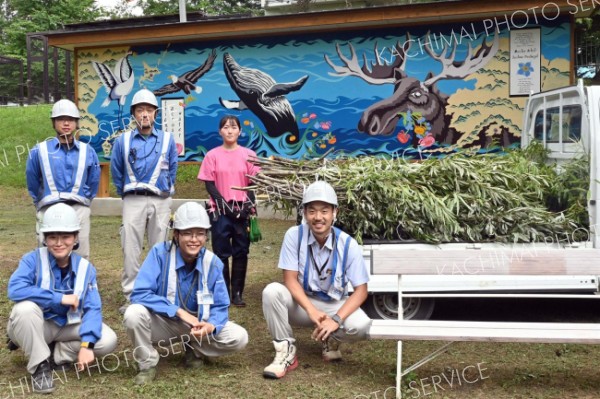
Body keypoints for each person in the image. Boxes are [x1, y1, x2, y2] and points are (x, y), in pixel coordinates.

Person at [123, 201, 249, 385]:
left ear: (206, 236)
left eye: (200, 233)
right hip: (165, 323)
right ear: (176, 235)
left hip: (197, 325)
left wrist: (211, 326)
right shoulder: (159, 254)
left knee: (239, 337)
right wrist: (178, 312)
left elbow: (220, 306)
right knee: (133, 314)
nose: (194, 239)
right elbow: (139, 293)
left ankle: (194, 348)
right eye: (187, 233)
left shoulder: (212, 263)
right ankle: (147, 363)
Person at [261, 181, 371, 379]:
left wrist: (336, 320)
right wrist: (311, 310)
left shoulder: (348, 244)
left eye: (324, 211)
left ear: (334, 213)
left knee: (361, 327)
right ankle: (285, 350)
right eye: (312, 211)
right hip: (303, 304)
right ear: (304, 213)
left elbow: (361, 290)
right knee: (271, 292)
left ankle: (330, 337)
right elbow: (290, 279)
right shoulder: (294, 236)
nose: (318, 217)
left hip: (334, 305)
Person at [6, 203, 118, 394]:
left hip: (66, 325)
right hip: (38, 324)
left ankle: (57, 355)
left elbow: (93, 308)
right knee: (24, 310)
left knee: (108, 340)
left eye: (65, 236)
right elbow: (15, 289)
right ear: (45, 239)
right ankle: (40, 367)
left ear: (75, 238)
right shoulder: (32, 259)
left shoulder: (86, 268)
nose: (59, 243)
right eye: (52, 237)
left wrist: (87, 344)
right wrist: (59, 298)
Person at [110, 88, 179, 312]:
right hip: (133, 200)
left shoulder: (167, 140)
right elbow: (116, 171)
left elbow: (173, 169)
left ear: (156, 114)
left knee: (160, 247)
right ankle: (132, 295)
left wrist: (164, 191)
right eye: (140, 110)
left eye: (149, 109)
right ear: (134, 114)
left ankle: (157, 294)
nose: (145, 114)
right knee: (130, 247)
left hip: (160, 200)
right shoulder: (123, 141)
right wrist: (128, 193)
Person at [198, 115, 260, 307]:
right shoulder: (212, 155)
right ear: (220, 131)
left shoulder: (249, 155)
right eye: (226, 127)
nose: (230, 130)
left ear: (240, 131)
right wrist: (225, 207)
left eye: (234, 127)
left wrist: (245, 207)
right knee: (221, 253)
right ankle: (223, 292)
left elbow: (254, 183)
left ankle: (238, 294)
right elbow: (209, 184)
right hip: (220, 211)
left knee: (241, 252)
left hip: (243, 211)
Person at [26, 99, 100, 259]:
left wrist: (84, 200)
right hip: (49, 207)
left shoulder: (88, 151)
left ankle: (79, 284)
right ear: (54, 123)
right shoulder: (39, 151)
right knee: (47, 254)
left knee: (80, 254)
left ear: (76, 123)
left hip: (79, 208)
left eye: (71, 119)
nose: (66, 123)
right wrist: (40, 203)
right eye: (61, 119)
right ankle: (48, 284)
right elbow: (32, 180)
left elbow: (93, 181)